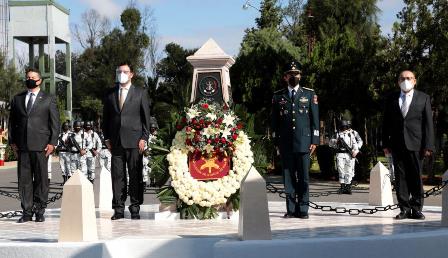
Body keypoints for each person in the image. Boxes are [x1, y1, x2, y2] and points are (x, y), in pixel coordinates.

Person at [8, 68, 60, 223]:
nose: (29, 79)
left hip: (41, 146)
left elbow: (55, 123)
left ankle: (39, 210)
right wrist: (12, 142)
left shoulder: (48, 98)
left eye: (33, 77)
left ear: (40, 80)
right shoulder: (17, 99)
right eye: (27, 77)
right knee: (24, 181)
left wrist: (52, 142)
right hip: (22, 146)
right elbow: (12, 123)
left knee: (41, 179)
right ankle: (27, 211)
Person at [382, 70, 434, 220]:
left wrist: (429, 145)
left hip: (417, 145)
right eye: (403, 78)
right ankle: (404, 208)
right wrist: (385, 143)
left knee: (416, 177)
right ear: (398, 81)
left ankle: (417, 208)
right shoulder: (391, 98)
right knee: (401, 178)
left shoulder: (423, 98)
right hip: (397, 144)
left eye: (409, 78)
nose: (406, 80)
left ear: (415, 81)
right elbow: (386, 123)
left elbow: (428, 124)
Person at [102, 63, 151, 220]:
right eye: (119, 71)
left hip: (135, 141)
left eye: (125, 71)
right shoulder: (110, 94)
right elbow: (106, 118)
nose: (121, 74)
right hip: (115, 142)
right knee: (117, 176)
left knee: (135, 175)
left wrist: (144, 137)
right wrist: (107, 138)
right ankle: (118, 208)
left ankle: (135, 207)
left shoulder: (140, 93)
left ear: (131, 74)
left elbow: (146, 118)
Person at [271, 62, 319, 219]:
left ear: (300, 76)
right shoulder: (278, 96)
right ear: (285, 77)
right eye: (291, 74)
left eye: (296, 74)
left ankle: (303, 209)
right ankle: (291, 209)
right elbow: (274, 122)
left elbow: (315, 119)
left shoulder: (309, 94)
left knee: (304, 178)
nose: (294, 77)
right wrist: (275, 141)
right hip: (285, 143)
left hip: (304, 142)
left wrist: (315, 140)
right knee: (288, 178)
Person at [330, 119, 363, 194]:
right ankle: (342, 186)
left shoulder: (351, 134)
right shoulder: (336, 134)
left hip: (349, 155)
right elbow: (330, 143)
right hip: (340, 154)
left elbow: (355, 144)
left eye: (345, 126)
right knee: (341, 170)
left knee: (348, 171)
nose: (344, 128)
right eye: (343, 126)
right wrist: (336, 141)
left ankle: (348, 187)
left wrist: (355, 151)